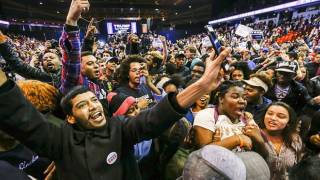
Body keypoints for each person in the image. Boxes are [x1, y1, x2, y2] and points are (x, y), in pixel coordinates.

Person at [0, 6, 232, 179]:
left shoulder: (118, 128)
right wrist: (71, 24)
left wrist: (202, 86)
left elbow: (156, 116)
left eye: (93, 100)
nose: (93, 106)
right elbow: (17, 111)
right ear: (69, 117)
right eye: (82, 105)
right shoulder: (58, 141)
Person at [243, 102, 304, 180]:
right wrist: (259, 141)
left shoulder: (295, 139)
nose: (273, 118)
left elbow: (297, 166)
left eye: (281, 116)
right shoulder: (252, 134)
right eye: (270, 114)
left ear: (288, 122)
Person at [193, 80, 256, 150]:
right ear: (221, 99)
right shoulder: (206, 115)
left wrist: (258, 137)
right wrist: (238, 139)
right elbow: (203, 151)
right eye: (235, 97)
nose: (242, 101)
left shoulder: (247, 119)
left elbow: (267, 156)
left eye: (244, 98)